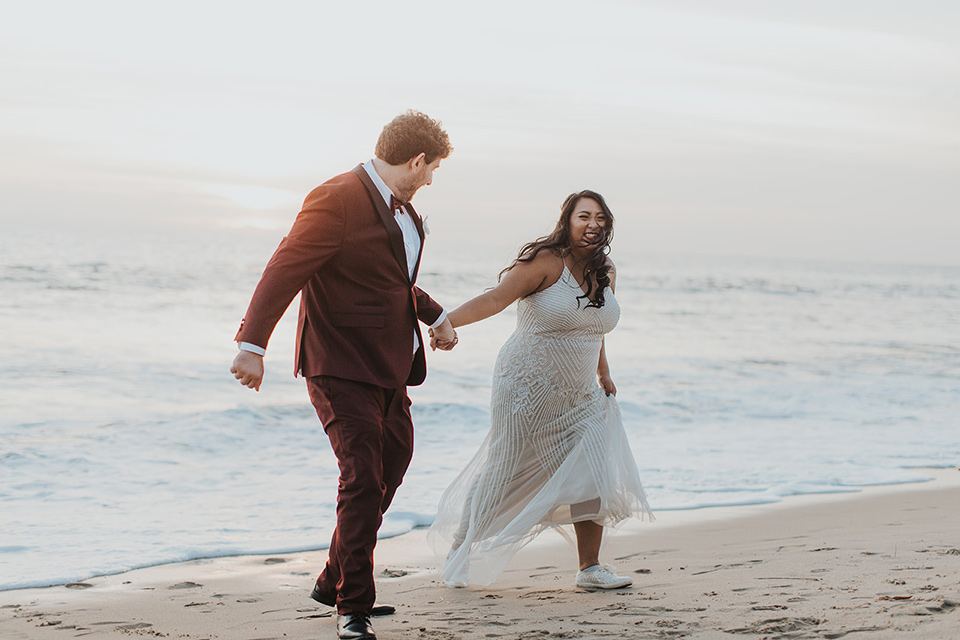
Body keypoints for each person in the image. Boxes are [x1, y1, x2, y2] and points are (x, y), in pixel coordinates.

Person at [231, 110, 457, 640]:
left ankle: (333, 577)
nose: (429, 181)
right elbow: (285, 266)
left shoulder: (408, 215)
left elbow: (390, 282)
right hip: (336, 363)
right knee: (361, 477)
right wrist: (251, 345)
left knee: (393, 464)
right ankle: (352, 605)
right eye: (431, 170)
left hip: (388, 366)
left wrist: (436, 315)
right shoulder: (335, 197)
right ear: (417, 159)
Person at [428, 190, 652, 590]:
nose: (593, 224)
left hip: (581, 393)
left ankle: (590, 569)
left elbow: (595, 326)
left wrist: (604, 373)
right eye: (584, 216)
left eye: (600, 217)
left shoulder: (606, 271)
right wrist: (447, 321)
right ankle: (460, 549)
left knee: (592, 468)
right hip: (526, 386)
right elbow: (496, 298)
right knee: (504, 467)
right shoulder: (545, 261)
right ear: (567, 220)